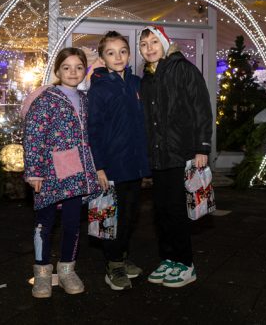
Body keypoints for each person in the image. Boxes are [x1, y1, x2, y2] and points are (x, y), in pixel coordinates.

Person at [23, 48, 102, 298]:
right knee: (44, 224)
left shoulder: (86, 99)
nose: (73, 72)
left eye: (79, 67)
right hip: (48, 172)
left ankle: (67, 269)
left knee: (71, 223)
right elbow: (33, 136)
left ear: (84, 71)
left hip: (76, 172)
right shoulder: (46, 99)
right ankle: (42, 273)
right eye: (66, 67)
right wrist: (34, 171)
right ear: (57, 70)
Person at [139, 25, 213, 288]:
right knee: (161, 211)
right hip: (158, 156)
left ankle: (185, 263)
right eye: (144, 44)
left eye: (153, 42)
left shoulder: (183, 69)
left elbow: (201, 108)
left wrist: (202, 147)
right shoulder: (147, 78)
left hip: (180, 153)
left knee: (177, 210)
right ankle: (168, 259)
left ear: (164, 43)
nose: (149, 48)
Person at [87, 31, 150, 291]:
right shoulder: (99, 88)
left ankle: (121, 256)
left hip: (134, 163)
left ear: (129, 54)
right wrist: (99, 166)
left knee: (131, 215)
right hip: (113, 165)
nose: (118, 57)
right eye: (111, 53)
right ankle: (113, 265)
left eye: (123, 51)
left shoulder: (136, 83)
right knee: (113, 217)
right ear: (102, 58)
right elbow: (93, 130)